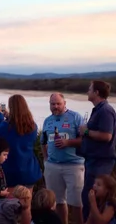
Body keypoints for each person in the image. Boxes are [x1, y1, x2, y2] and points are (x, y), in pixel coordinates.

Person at [40, 93, 85, 224]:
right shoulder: (48, 120)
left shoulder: (75, 117)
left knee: (77, 203)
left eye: (58, 104)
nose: (55, 106)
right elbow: (43, 142)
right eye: (52, 104)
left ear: (65, 103)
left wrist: (68, 143)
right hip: (53, 165)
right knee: (58, 201)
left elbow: (85, 140)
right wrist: (46, 159)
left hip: (74, 165)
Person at [77, 81, 116, 222]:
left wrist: (86, 131)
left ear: (97, 92)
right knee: (88, 196)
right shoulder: (98, 109)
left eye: (89, 89)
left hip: (101, 162)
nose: (88, 91)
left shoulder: (105, 111)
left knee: (94, 197)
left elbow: (107, 136)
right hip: (93, 160)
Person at [0, 94, 42, 189]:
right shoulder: (33, 126)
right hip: (29, 171)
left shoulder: (6, 127)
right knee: (26, 201)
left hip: (11, 173)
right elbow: (19, 128)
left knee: (11, 203)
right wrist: (9, 117)